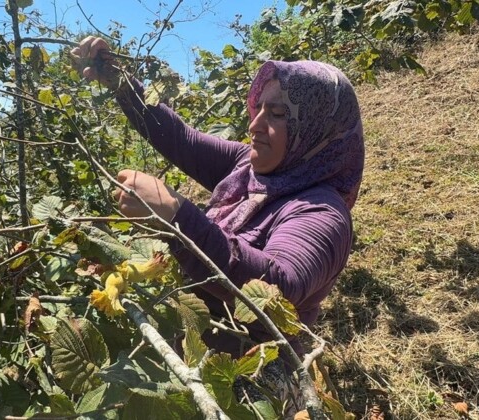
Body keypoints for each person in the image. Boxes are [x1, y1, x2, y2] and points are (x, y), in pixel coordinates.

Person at [71, 37, 365, 361]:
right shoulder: (247, 166)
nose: (254, 125)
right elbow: (180, 139)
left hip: (247, 375)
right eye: (259, 108)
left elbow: (280, 289)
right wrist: (119, 79)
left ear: (315, 130)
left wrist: (176, 216)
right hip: (193, 345)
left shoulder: (321, 212)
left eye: (278, 113)